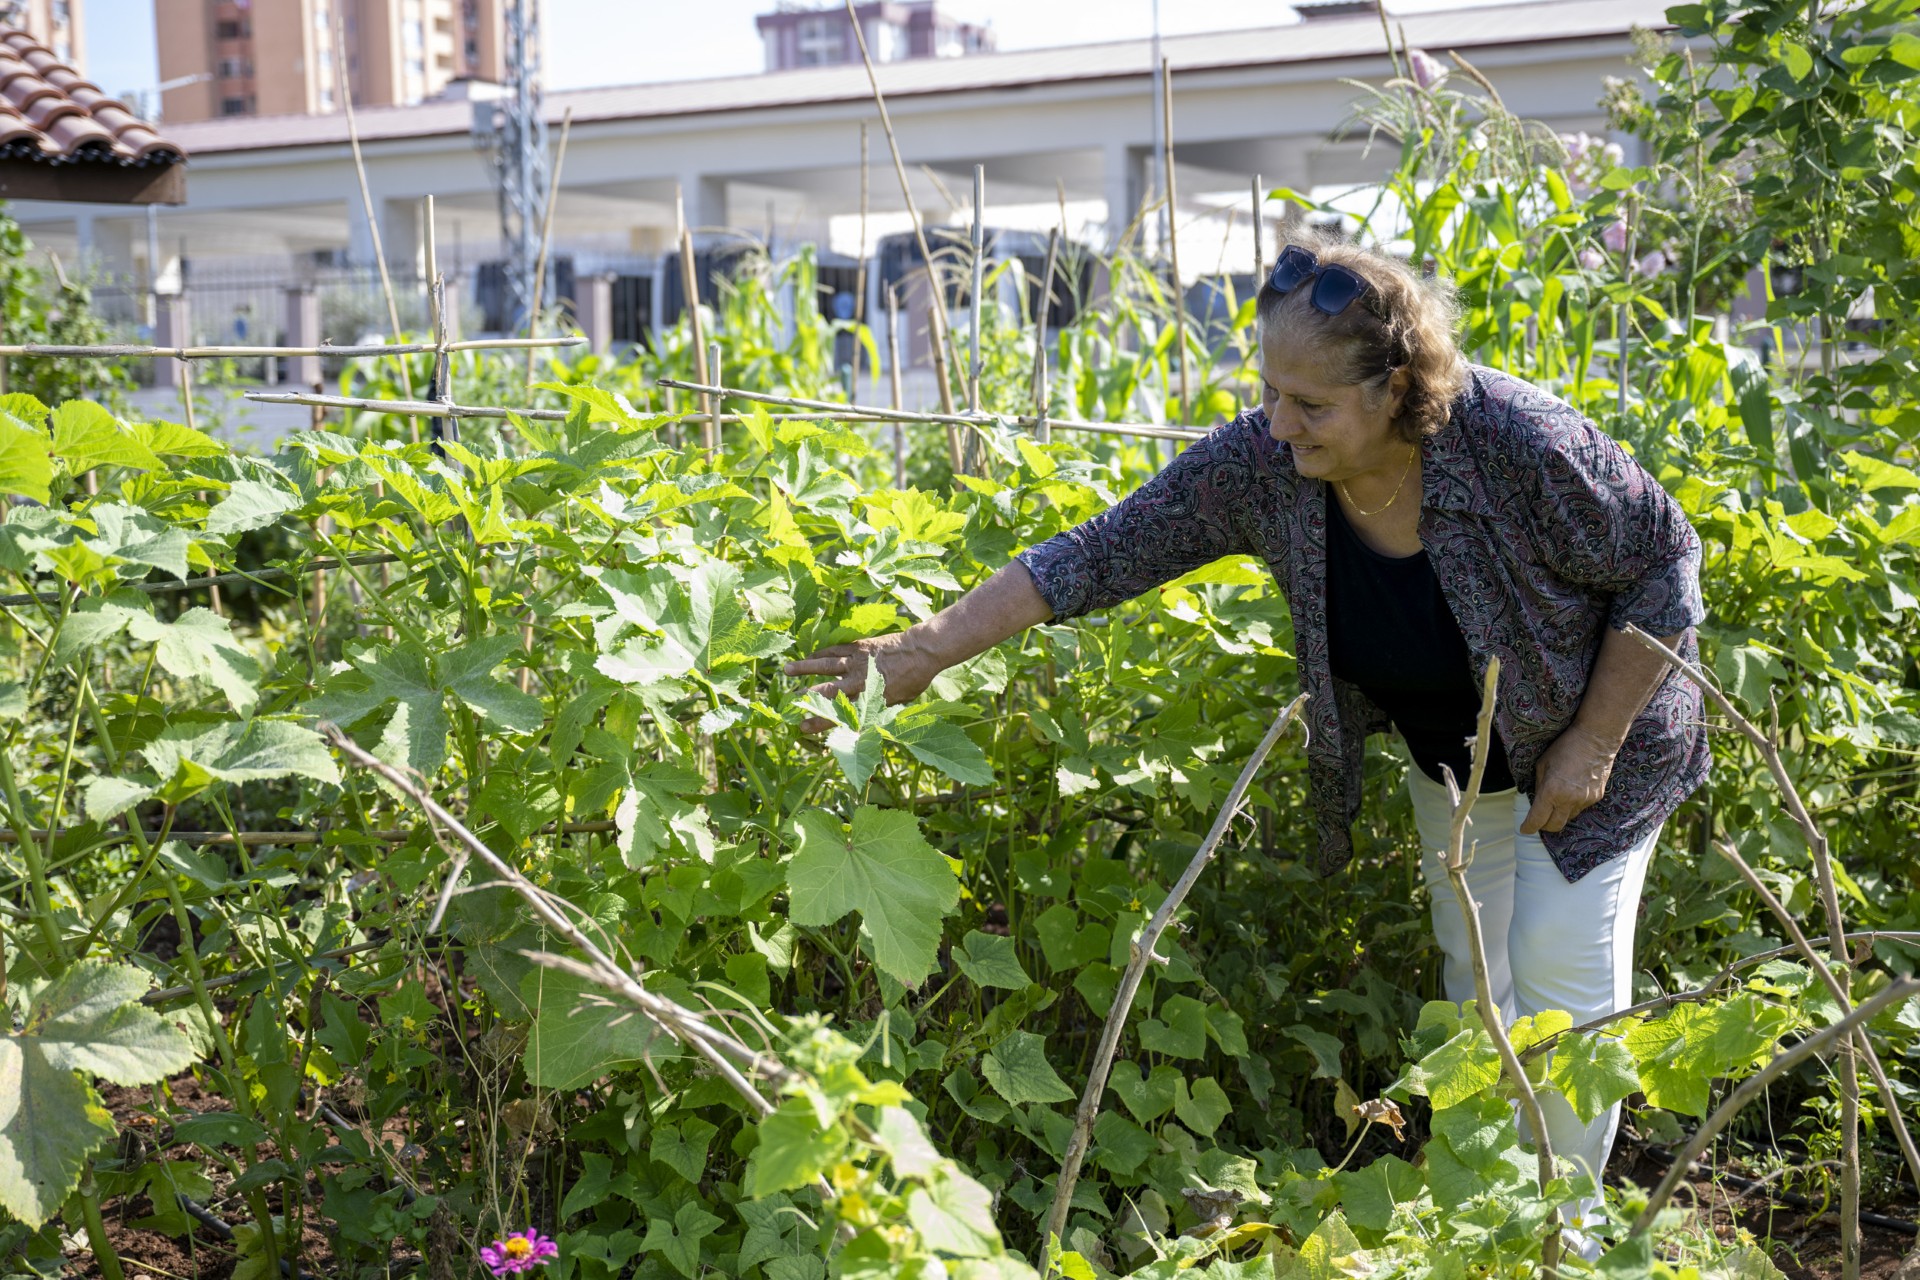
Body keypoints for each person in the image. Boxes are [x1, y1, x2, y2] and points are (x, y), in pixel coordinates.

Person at [784, 233, 1708, 1237]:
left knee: (1559, 988)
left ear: (1394, 389)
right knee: (1478, 980)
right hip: (1459, 759)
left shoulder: (1517, 442)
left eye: (1308, 405)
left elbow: (1665, 561)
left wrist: (1596, 740)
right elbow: (1102, 549)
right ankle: (1485, 1221)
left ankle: (1562, 1239)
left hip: (1599, 749)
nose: (1277, 424)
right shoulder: (1268, 466)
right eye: (1271, 392)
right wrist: (927, 647)